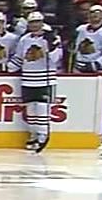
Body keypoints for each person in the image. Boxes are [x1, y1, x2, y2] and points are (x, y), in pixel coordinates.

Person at [9, 11, 63, 153]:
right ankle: (33, 133)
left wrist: (52, 47)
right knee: (31, 110)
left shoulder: (51, 38)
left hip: (45, 80)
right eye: (32, 22)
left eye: (37, 22)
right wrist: (7, 68)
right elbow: (19, 58)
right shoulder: (24, 39)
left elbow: (56, 59)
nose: (34, 25)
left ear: (42, 22)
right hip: (28, 79)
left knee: (42, 109)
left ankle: (43, 135)